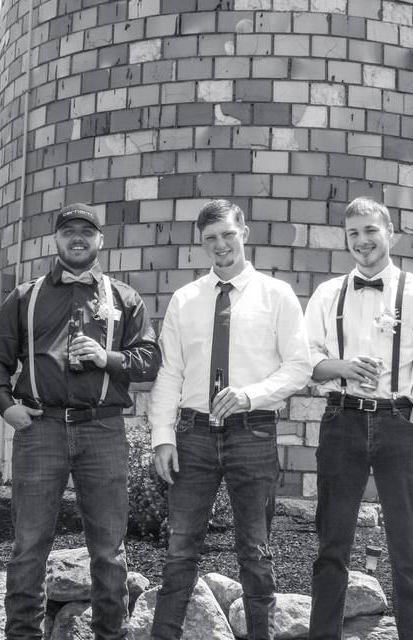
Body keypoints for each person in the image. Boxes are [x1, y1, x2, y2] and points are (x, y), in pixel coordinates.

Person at [0, 202, 160, 640]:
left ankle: (109, 635)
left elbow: (150, 360)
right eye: (69, 231)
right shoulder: (26, 296)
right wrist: (5, 405)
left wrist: (107, 357)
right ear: (55, 239)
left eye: (87, 232)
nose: (78, 238)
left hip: (103, 429)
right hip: (41, 428)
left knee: (109, 550)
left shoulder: (124, 298)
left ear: (100, 240)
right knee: (28, 547)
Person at [149, 199, 312, 640]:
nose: (220, 245)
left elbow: (299, 366)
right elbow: (169, 373)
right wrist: (162, 437)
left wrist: (249, 395)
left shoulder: (276, 296)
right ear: (201, 244)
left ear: (244, 232)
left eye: (227, 234)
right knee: (180, 549)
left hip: (253, 431)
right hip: (193, 434)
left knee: (256, 551)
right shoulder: (186, 299)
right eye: (210, 239)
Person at [303, 196, 413, 640]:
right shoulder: (328, 294)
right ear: (345, 239)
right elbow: (305, 359)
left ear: (390, 234)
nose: (362, 241)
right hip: (341, 420)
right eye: (353, 234)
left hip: (399, 423)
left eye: (370, 231)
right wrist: (341, 367)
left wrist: (412, 427)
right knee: (332, 545)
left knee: (407, 547)